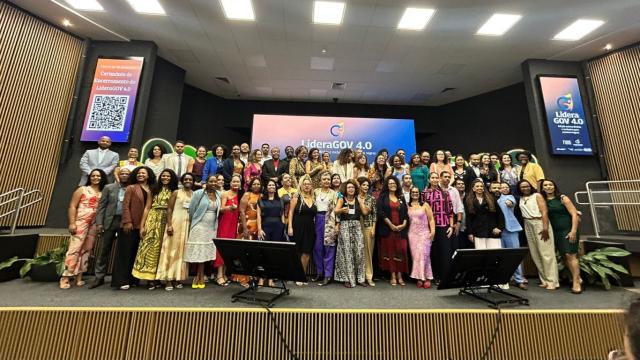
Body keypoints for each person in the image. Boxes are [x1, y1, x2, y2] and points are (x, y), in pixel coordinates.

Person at [132, 169, 179, 289]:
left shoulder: (175, 191)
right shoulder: (153, 190)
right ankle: (149, 279)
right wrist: (142, 226)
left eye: (168, 176)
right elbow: (147, 208)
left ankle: (159, 277)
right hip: (153, 219)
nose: (166, 178)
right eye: (164, 176)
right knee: (149, 248)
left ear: (172, 178)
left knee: (163, 249)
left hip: (167, 220)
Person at [60, 169, 107, 289]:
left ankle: (79, 277)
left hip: (94, 224)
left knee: (87, 250)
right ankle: (65, 277)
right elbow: (72, 206)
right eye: (93, 176)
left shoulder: (103, 192)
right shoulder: (82, 189)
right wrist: (72, 223)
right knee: (74, 249)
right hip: (81, 222)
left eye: (98, 176)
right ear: (89, 177)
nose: (96, 178)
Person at [111, 166, 156, 290]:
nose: (141, 175)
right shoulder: (131, 188)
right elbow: (125, 205)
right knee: (125, 253)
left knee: (137, 254)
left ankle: (133, 279)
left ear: (148, 175)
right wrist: (127, 221)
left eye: (143, 173)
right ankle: (122, 280)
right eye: (139, 173)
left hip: (145, 226)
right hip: (130, 225)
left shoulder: (152, 189)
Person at [89, 168, 131, 289]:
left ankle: (119, 278)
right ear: (118, 175)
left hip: (124, 222)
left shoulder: (132, 188)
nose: (124, 176)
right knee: (103, 250)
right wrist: (99, 223)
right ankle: (99, 277)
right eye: (122, 173)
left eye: (127, 174)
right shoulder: (109, 188)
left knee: (122, 251)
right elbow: (101, 207)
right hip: (109, 221)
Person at [541, 179, 582, 294]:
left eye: (550, 185)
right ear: (542, 188)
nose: (548, 187)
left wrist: (573, 231)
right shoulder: (543, 200)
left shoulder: (563, 198)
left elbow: (574, 214)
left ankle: (576, 282)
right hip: (555, 232)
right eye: (545, 185)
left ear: (554, 187)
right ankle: (576, 277)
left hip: (567, 229)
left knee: (570, 255)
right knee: (564, 256)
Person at [517, 179, 558, 290]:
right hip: (528, 224)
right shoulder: (520, 198)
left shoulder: (537, 195)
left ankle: (552, 281)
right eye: (522, 187)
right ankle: (544, 279)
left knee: (546, 253)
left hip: (539, 223)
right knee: (535, 253)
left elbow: (544, 211)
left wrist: (545, 228)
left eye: (527, 186)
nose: (526, 188)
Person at [155, 173, 193, 290]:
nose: (188, 181)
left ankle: (177, 278)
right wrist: (169, 224)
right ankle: (167, 279)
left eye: (190, 179)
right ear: (182, 181)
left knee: (181, 252)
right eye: (185, 179)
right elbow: (169, 208)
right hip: (175, 224)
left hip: (187, 225)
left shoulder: (194, 194)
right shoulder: (176, 192)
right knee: (170, 250)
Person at [185, 175, 220, 289]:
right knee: (199, 251)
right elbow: (192, 210)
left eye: (215, 181)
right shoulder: (198, 193)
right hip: (199, 225)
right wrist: (193, 223)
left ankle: (202, 275)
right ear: (207, 183)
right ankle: (198, 277)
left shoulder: (218, 194)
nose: (213, 183)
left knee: (205, 252)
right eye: (211, 181)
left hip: (211, 227)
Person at [334, 179, 370, 288]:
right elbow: (335, 211)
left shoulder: (358, 199)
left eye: (353, 187)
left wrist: (361, 201)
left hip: (357, 225)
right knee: (346, 252)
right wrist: (342, 210)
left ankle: (360, 278)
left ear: (356, 189)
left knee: (359, 251)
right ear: (346, 189)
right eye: (349, 187)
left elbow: (364, 212)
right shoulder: (341, 199)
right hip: (345, 225)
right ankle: (347, 278)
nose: (351, 189)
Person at [422, 172, 455, 283]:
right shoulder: (424, 194)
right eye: (433, 177)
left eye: (436, 177)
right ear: (429, 179)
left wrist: (451, 226)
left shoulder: (445, 193)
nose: (435, 179)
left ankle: (445, 277)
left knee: (445, 252)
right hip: (428, 227)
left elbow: (450, 211)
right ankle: (435, 277)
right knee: (433, 252)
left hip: (443, 225)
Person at [377, 176, 409, 286]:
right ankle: (393, 275)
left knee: (401, 251)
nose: (392, 185)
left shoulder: (401, 197)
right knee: (390, 252)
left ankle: (400, 275)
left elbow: (405, 212)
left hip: (401, 229)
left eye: (394, 183)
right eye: (390, 183)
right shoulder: (383, 197)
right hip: (388, 229)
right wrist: (390, 225)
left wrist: (404, 223)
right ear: (387, 185)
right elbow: (380, 212)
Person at [496, 181, 526, 290]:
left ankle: (519, 279)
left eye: (506, 187)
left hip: (511, 229)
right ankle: (507, 278)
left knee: (515, 255)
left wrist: (509, 203)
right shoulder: (496, 199)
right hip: (500, 231)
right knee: (503, 256)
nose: (504, 189)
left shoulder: (510, 197)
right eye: (501, 187)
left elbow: (510, 203)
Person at [288, 175, 317, 286]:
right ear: (301, 185)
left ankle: (302, 275)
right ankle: (296, 275)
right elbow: (290, 212)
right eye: (304, 184)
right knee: (297, 252)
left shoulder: (314, 197)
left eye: (308, 184)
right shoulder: (296, 197)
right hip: (297, 226)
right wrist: (290, 226)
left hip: (310, 227)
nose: (306, 186)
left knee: (307, 252)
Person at [215, 174, 242, 286]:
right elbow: (220, 209)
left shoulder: (241, 195)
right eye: (234, 181)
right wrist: (229, 208)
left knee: (229, 250)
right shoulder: (225, 194)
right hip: (225, 223)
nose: (236, 183)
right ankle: (219, 275)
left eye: (238, 182)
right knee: (222, 248)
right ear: (230, 183)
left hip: (234, 224)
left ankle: (225, 273)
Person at [312, 171, 339, 285]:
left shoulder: (335, 193)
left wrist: (337, 224)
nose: (326, 181)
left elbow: (337, 210)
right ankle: (319, 272)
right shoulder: (315, 192)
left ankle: (328, 275)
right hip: (317, 219)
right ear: (320, 180)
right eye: (324, 179)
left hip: (330, 220)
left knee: (329, 247)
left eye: (328, 179)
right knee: (317, 247)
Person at [236, 177, 262, 287]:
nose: (256, 186)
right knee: (244, 252)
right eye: (254, 184)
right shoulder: (247, 195)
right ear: (251, 186)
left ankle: (252, 276)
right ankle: (242, 278)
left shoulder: (261, 196)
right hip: (246, 225)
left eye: (258, 184)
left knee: (254, 253)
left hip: (257, 227)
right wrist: (245, 228)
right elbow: (241, 211)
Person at [407, 186, 436, 289]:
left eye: (416, 192)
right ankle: (419, 277)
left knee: (424, 255)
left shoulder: (425, 205)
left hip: (424, 233)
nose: (415, 193)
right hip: (412, 235)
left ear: (419, 193)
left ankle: (427, 278)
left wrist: (433, 231)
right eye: (413, 192)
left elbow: (431, 219)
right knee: (416, 257)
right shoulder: (408, 206)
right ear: (410, 194)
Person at [465, 179, 504, 249]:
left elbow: (500, 214)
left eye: (481, 186)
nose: (479, 188)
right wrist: (470, 233)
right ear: (473, 189)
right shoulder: (469, 201)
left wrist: (500, 228)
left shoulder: (491, 199)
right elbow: (469, 218)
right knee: (481, 255)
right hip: (478, 232)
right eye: (477, 186)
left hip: (492, 231)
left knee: (495, 254)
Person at [357, 177, 377, 286]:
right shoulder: (354, 198)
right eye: (363, 185)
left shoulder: (371, 198)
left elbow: (374, 214)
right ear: (359, 185)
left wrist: (374, 228)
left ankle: (369, 276)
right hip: (356, 227)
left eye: (367, 185)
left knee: (368, 253)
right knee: (358, 252)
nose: (366, 187)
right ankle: (359, 276)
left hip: (368, 226)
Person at [440, 171, 464, 247]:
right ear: (440, 178)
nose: (447, 178)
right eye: (445, 177)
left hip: (453, 218)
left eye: (449, 177)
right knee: (443, 245)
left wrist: (459, 222)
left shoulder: (454, 190)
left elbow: (459, 207)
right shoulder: (436, 190)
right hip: (440, 219)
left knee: (454, 244)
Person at [454, 178, 471, 249]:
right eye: (459, 184)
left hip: (468, 229)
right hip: (456, 228)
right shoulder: (452, 196)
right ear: (454, 186)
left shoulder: (469, 196)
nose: (461, 185)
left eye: (462, 184)